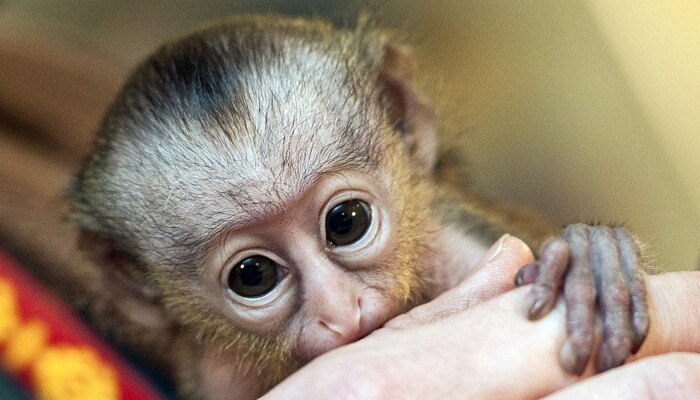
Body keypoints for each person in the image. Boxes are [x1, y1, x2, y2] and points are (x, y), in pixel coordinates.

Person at [262, 235, 700, 399]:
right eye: (253, 276)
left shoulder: (456, 245)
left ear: (409, 125)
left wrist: (597, 267)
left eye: (347, 222)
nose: (345, 315)